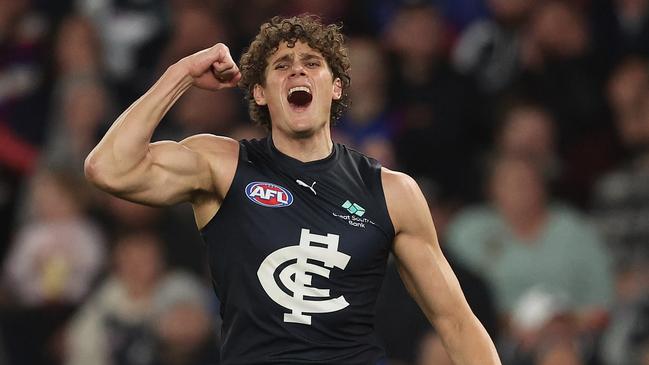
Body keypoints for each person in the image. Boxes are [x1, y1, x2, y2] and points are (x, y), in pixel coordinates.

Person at [84, 14, 500, 364]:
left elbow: (456, 321)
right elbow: (110, 169)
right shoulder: (223, 165)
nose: (297, 70)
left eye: (312, 62)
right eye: (282, 65)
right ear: (260, 93)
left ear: (335, 87)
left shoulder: (392, 191)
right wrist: (181, 75)